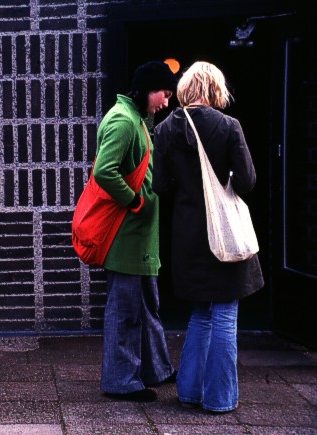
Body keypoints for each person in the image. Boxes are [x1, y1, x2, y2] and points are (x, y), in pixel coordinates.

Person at [153, 61, 264, 413]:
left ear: (186, 88)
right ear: (215, 89)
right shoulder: (229, 126)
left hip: (188, 233)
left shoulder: (166, 129)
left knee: (201, 313)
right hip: (224, 234)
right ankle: (219, 399)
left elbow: (159, 186)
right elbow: (246, 182)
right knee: (226, 314)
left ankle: (188, 391)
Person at [93, 60, 178, 402]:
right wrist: (134, 202)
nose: (166, 102)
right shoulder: (123, 121)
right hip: (126, 237)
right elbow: (104, 171)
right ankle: (119, 382)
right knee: (125, 311)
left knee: (146, 306)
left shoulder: (137, 119)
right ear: (146, 89)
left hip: (139, 237)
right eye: (164, 94)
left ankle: (155, 370)